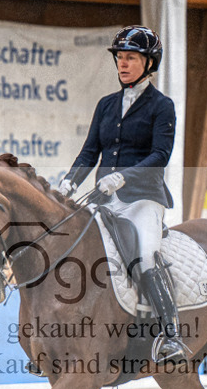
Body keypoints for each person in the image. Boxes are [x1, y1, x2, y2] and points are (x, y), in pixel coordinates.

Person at [56, 24, 189, 363]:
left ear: (148, 63)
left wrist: (122, 178)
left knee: (144, 255)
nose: (123, 64)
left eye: (130, 58)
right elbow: (89, 152)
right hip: (104, 199)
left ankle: (170, 334)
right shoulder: (106, 105)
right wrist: (70, 182)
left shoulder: (162, 106)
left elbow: (160, 155)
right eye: (120, 57)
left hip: (144, 198)